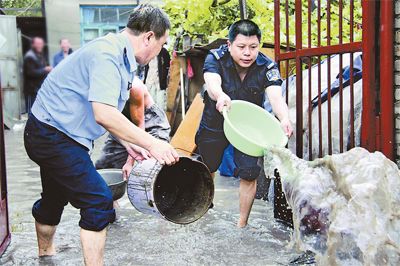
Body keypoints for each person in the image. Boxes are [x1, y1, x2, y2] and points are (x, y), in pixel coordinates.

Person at [23, 4, 179, 265]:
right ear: (149, 37)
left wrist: (129, 143)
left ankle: (45, 258)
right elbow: (104, 114)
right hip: (52, 134)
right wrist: (153, 144)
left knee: (54, 198)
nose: (158, 52)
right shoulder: (107, 54)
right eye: (161, 44)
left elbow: (108, 112)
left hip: (57, 132)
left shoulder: (121, 55)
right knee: (98, 200)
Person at [195, 20, 293, 228]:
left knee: (249, 172)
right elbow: (212, 83)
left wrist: (284, 118)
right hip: (216, 119)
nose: (247, 53)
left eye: (253, 47)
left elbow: (276, 98)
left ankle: (242, 224)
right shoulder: (215, 58)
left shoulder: (267, 66)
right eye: (241, 47)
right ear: (229, 45)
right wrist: (220, 96)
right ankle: (203, 207)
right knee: (208, 165)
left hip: (248, 127)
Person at [95, 75, 171, 180]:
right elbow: (106, 120)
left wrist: (129, 162)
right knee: (104, 166)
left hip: (148, 122)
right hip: (122, 122)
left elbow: (139, 128)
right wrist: (126, 144)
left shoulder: (134, 86)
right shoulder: (100, 85)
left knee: (150, 170)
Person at [23, 37, 52, 113]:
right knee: (31, 111)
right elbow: (30, 72)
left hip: (39, 88)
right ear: (33, 45)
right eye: (38, 44)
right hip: (31, 90)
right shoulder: (30, 56)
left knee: (38, 111)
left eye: (41, 44)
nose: (40, 46)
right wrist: (45, 69)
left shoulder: (40, 55)